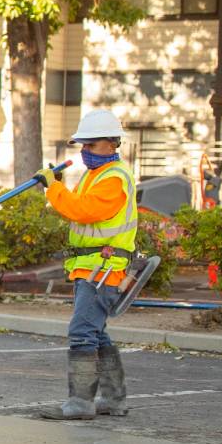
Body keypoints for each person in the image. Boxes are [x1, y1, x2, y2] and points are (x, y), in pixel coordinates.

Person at [34, 109, 135, 420]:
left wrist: (54, 186)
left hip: (103, 269)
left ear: (112, 143)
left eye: (90, 145)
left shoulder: (113, 178)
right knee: (96, 333)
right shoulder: (97, 174)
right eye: (83, 146)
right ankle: (114, 400)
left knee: (82, 332)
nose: (84, 151)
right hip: (92, 267)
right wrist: (59, 185)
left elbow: (83, 211)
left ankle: (81, 403)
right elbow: (79, 211)